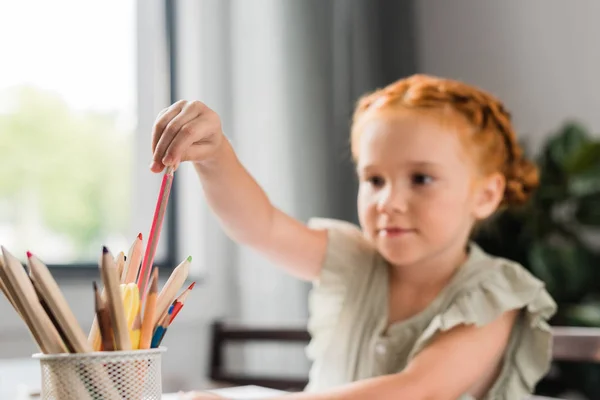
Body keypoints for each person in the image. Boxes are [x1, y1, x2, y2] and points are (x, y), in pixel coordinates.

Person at [151, 74, 557, 400]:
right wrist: (216, 155)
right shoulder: (353, 259)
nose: (389, 201)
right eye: (374, 179)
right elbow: (260, 226)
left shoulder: (496, 293)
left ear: (486, 195)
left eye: (421, 179)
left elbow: (418, 390)